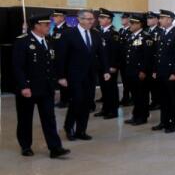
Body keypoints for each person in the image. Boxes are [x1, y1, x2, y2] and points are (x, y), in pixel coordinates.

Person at [13, 14, 70, 158]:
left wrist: (58, 79)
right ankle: (25, 146)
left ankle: (55, 148)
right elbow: (17, 67)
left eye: (48, 24)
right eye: (46, 24)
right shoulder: (23, 41)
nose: (48, 26)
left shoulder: (49, 41)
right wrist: (23, 86)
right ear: (36, 26)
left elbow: (51, 64)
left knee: (49, 118)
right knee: (25, 119)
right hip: (29, 88)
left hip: (46, 88)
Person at [56, 9, 110, 141]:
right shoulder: (68, 34)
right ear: (80, 19)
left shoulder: (95, 34)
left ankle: (81, 130)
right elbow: (61, 57)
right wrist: (61, 76)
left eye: (92, 19)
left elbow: (102, 54)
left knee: (87, 103)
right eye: (88, 19)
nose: (92, 21)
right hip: (74, 75)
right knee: (77, 101)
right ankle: (69, 127)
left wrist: (106, 70)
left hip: (90, 75)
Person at [151, 9, 175, 133]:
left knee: (173, 100)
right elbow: (158, 54)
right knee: (163, 99)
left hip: (171, 74)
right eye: (159, 18)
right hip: (162, 72)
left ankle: (174, 124)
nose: (159, 20)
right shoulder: (162, 33)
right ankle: (163, 122)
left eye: (162, 18)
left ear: (169, 20)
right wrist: (155, 69)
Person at [123, 14, 154, 126]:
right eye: (130, 22)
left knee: (142, 95)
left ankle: (142, 117)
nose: (130, 25)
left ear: (139, 24)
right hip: (131, 71)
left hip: (140, 72)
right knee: (135, 95)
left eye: (132, 23)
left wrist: (143, 71)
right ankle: (135, 115)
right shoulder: (131, 36)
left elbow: (147, 56)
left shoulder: (146, 37)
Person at [94, 8, 120, 120]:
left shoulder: (113, 34)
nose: (99, 20)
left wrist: (114, 66)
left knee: (111, 89)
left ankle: (113, 111)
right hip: (101, 65)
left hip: (110, 66)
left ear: (109, 20)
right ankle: (105, 109)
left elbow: (116, 52)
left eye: (102, 18)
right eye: (99, 17)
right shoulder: (99, 31)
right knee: (104, 89)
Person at [50, 10, 70, 109]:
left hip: (64, 60)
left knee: (64, 80)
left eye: (56, 16)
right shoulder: (55, 29)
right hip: (56, 59)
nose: (54, 18)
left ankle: (66, 100)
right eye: (54, 16)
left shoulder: (66, 29)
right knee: (60, 80)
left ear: (62, 17)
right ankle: (63, 99)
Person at [145, 11, 162, 111]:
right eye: (148, 18)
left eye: (151, 18)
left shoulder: (159, 31)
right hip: (147, 62)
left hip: (155, 62)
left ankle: (157, 102)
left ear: (156, 20)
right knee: (149, 84)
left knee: (155, 85)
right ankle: (153, 101)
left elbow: (157, 49)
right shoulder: (146, 31)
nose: (148, 20)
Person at [118, 13, 133, 107]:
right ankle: (125, 97)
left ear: (129, 19)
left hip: (128, 60)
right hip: (122, 60)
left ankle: (131, 98)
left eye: (124, 18)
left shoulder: (131, 31)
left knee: (130, 81)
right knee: (124, 81)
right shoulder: (121, 30)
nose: (122, 20)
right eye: (122, 18)